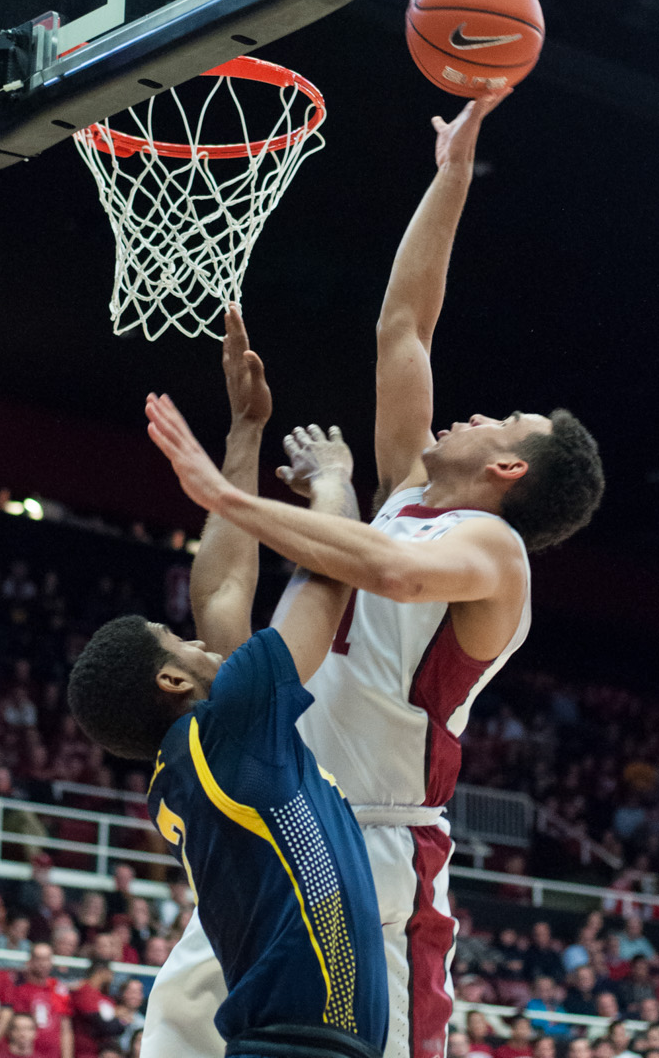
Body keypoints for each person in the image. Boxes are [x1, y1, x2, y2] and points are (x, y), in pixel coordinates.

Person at [143, 95, 605, 1058]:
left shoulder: (490, 551)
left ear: (509, 470)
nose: (474, 413)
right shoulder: (405, 491)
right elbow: (405, 324)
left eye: (500, 423)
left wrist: (233, 500)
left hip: (377, 849)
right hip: (273, 816)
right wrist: (451, 175)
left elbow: (391, 574)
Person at [68, 312, 388, 1058]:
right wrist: (334, 484)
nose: (199, 634)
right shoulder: (228, 730)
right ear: (174, 678)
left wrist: (246, 431)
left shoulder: (194, 758)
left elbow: (220, 595)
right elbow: (330, 579)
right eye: (177, 640)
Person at [0, 942, 73, 1058]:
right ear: (30, 961)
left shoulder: (58, 988)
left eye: (47, 959)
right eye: (39, 959)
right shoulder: (16, 987)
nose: (43, 964)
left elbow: (65, 1029)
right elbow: (6, 1020)